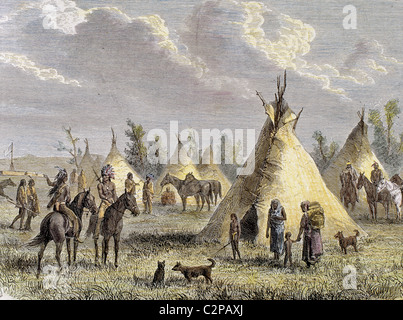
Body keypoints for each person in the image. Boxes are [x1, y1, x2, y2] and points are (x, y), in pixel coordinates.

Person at [45, 169, 83, 242]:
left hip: (55, 207)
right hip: (62, 207)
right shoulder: (66, 187)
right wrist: (67, 200)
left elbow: (49, 183)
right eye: (66, 177)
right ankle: (76, 236)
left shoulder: (56, 184)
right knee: (75, 218)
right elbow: (69, 198)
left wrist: (47, 178)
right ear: (64, 178)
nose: (67, 178)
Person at [91, 164, 117, 240]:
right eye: (103, 175)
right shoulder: (100, 185)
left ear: (109, 176)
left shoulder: (113, 184)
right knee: (100, 217)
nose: (104, 177)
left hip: (112, 203)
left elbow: (115, 195)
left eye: (105, 175)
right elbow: (100, 195)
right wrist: (106, 198)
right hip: (104, 203)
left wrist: (115, 202)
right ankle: (96, 233)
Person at [296, 201, 323, 267]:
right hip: (316, 235)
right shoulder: (315, 215)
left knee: (308, 250)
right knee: (315, 248)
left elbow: (302, 227)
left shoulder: (305, 215)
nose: (301, 209)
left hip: (308, 235)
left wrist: (299, 236)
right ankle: (314, 262)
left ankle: (308, 263)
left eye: (302, 207)